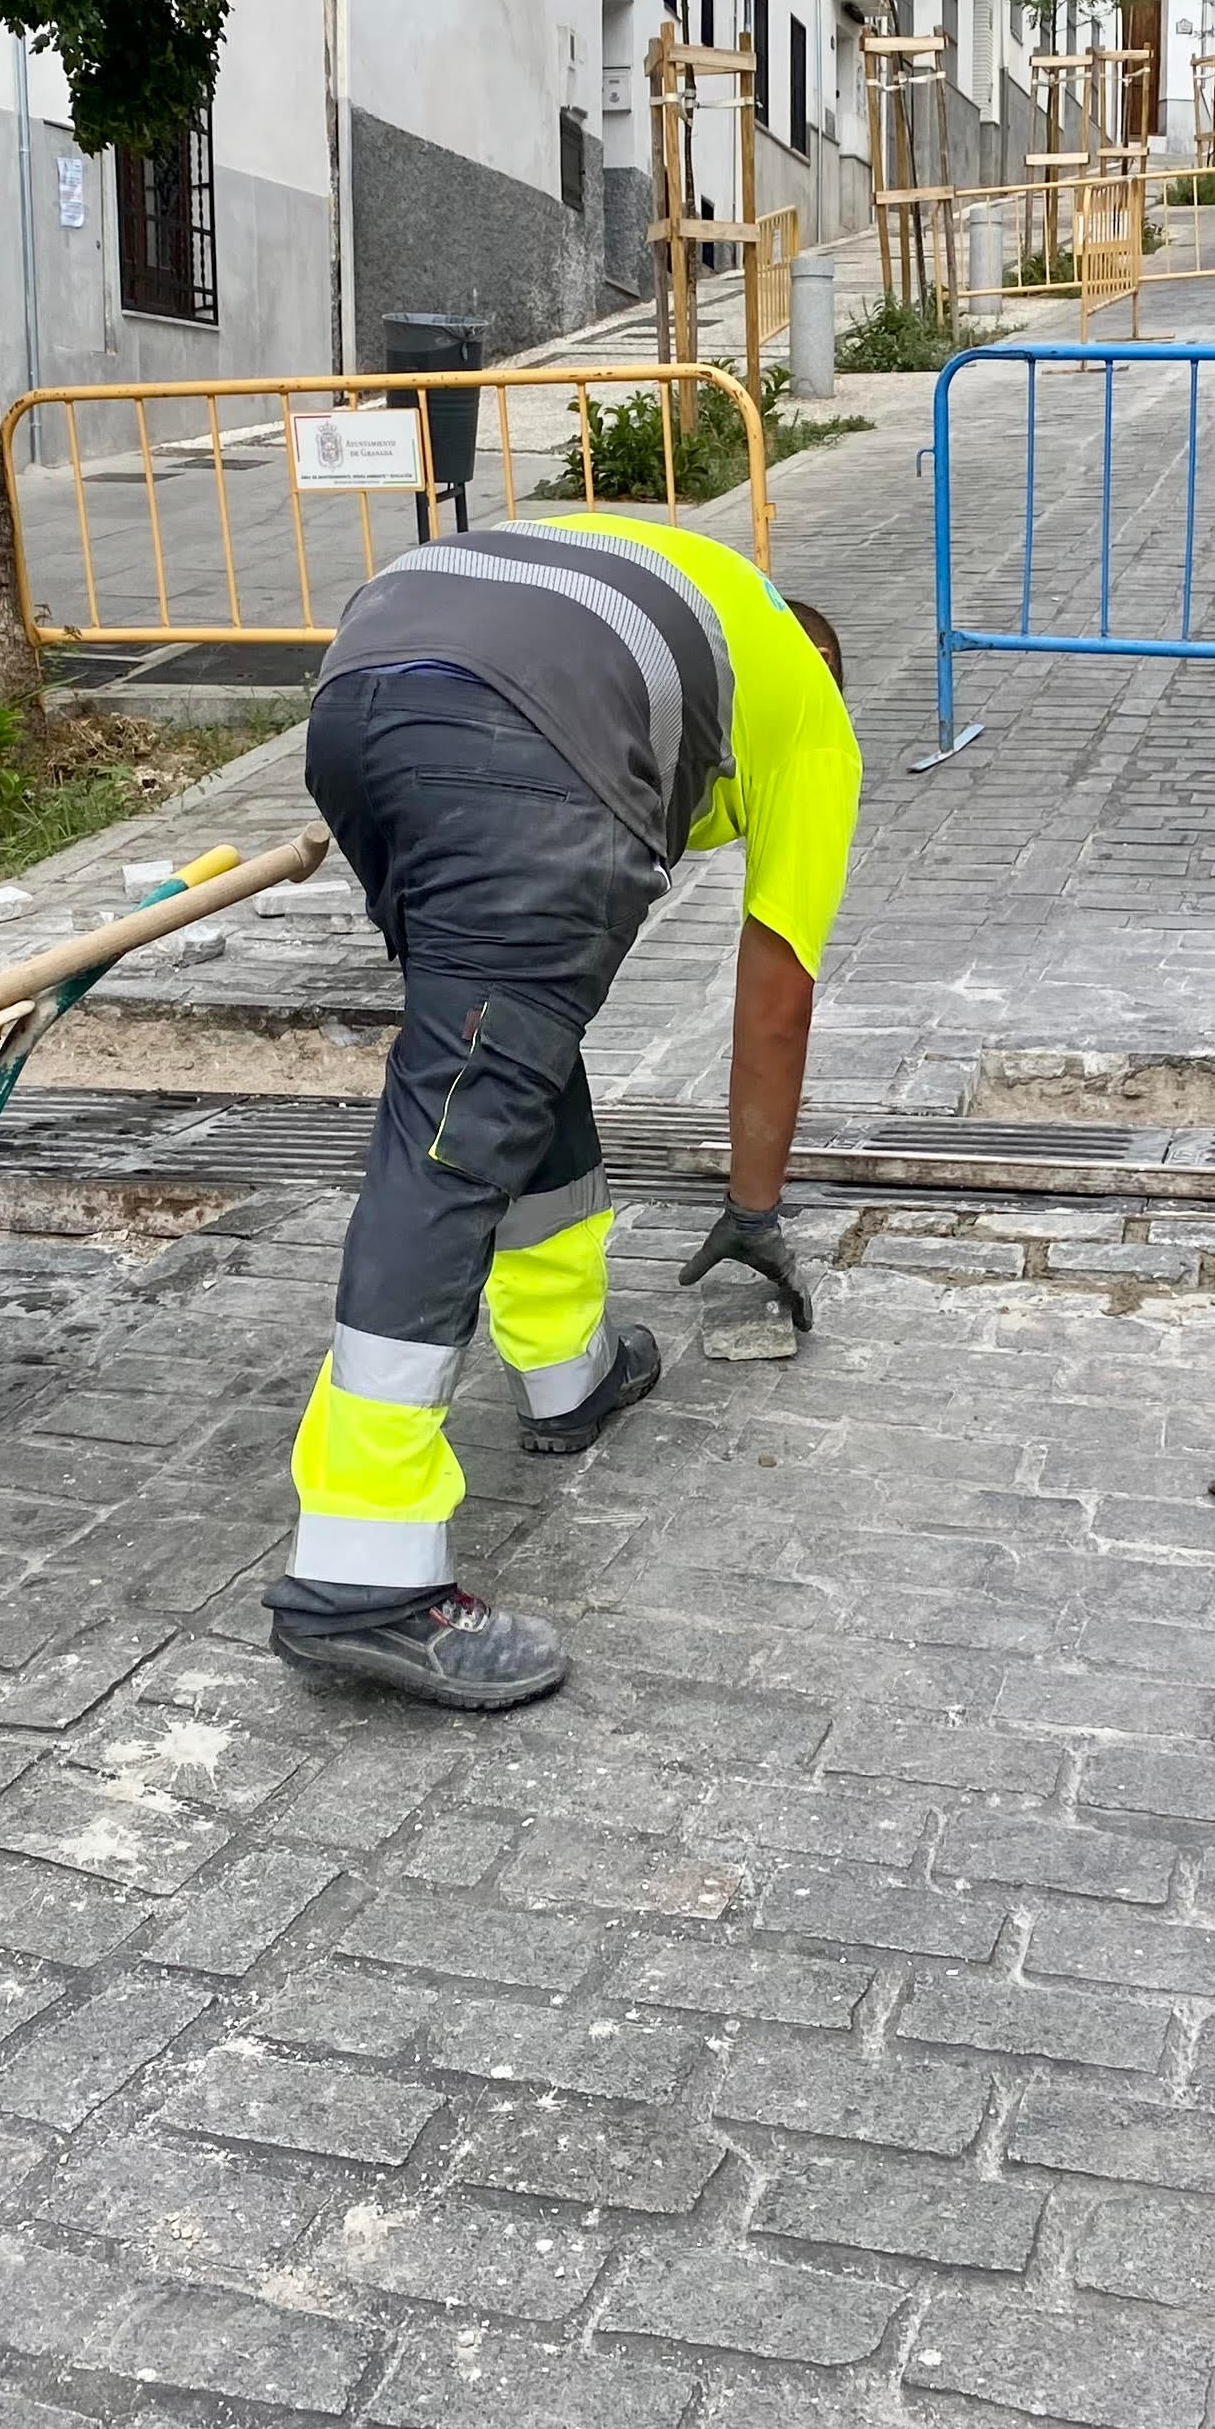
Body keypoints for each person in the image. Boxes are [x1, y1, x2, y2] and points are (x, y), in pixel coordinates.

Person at [264, 507, 858, 1708]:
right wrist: (753, 1207)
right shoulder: (811, 717)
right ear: (822, 676)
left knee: (507, 1050)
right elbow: (777, 995)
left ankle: (565, 1371)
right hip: (515, 745)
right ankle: (363, 1568)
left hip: (363, 695)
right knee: (454, 1130)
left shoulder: (689, 590)